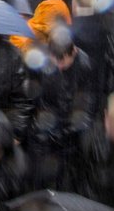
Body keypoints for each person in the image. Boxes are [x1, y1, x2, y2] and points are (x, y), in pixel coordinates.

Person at [27, 32, 98, 191]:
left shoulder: (85, 66)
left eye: (63, 61)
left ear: (73, 52)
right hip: (44, 128)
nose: (59, 66)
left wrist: (67, 130)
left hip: (69, 135)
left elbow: (87, 107)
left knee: (64, 181)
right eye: (55, 60)